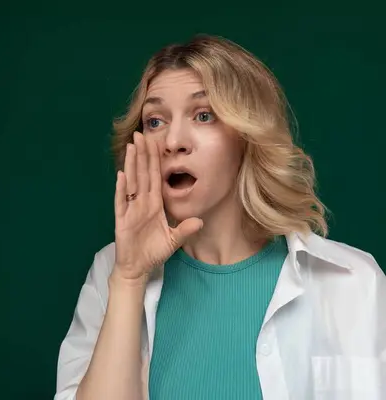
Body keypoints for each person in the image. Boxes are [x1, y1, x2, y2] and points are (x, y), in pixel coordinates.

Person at [54, 35, 386, 400]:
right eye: (155, 121)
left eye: (203, 115)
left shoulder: (352, 282)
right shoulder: (111, 274)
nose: (173, 141)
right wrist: (130, 278)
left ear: (247, 136)